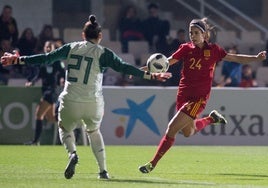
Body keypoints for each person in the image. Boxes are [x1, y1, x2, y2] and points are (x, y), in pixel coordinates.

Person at [1, 15, 171, 180]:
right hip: (93, 102)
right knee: (94, 132)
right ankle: (103, 171)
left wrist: (18, 60)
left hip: (70, 100)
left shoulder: (71, 47)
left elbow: (45, 59)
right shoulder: (104, 53)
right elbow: (124, 68)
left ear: (83, 35)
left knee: (64, 128)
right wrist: (151, 76)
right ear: (100, 36)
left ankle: (72, 153)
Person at [138, 18, 266, 173]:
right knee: (188, 132)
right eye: (191, 32)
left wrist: (256, 58)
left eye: (196, 32)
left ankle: (152, 164)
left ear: (205, 34)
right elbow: (168, 62)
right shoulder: (185, 48)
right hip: (183, 95)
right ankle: (212, 119)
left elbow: (235, 58)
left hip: (199, 99)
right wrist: (142, 70)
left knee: (171, 129)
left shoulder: (214, 50)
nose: (193, 35)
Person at [24, 40, 65, 145]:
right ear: (44, 48)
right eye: (46, 47)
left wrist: (62, 79)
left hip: (52, 91)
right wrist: (31, 82)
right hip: (45, 90)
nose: (48, 49)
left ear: (54, 49)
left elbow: (63, 72)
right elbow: (38, 75)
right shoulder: (43, 62)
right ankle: (71, 126)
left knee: (39, 114)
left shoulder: (57, 61)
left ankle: (35, 141)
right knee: (51, 118)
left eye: (50, 47)